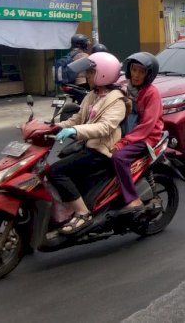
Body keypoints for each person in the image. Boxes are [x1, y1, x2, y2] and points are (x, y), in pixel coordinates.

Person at [49, 52, 129, 234]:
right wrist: (54, 126)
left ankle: (83, 213)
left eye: (91, 72)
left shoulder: (117, 100)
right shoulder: (93, 95)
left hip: (102, 151)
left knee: (56, 171)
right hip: (88, 146)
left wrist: (75, 131)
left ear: (104, 73)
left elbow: (105, 127)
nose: (86, 76)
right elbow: (77, 118)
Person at [112, 52, 164, 211]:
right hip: (129, 132)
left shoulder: (151, 93)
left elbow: (147, 125)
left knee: (119, 157)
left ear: (148, 75)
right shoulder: (127, 88)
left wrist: (124, 142)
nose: (136, 75)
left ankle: (133, 199)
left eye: (141, 72)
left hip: (146, 137)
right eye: (134, 70)